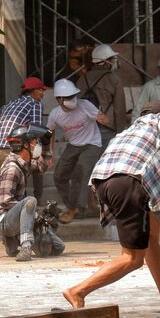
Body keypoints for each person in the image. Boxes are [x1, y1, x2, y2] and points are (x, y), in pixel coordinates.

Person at [63, 100, 160, 313]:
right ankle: (78, 291)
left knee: (151, 237)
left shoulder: (130, 133)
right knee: (132, 258)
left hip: (108, 183)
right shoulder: (156, 120)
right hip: (129, 184)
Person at [47, 79, 103, 224]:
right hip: (73, 145)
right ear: (58, 99)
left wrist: (103, 117)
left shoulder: (86, 106)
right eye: (68, 97)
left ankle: (77, 208)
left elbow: (103, 118)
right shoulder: (55, 114)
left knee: (81, 171)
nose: (72, 100)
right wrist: (49, 153)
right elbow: (50, 132)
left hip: (92, 143)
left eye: (73, 96)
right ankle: (72, 206)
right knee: (59, 175)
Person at [0, 124, 52, 261]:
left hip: (17, 215)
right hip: (5, 220)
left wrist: (46, 145)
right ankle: (25, 247)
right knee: (30, 201)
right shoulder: (12, 168)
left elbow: (42, 167)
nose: (36, 145)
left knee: (55, 247)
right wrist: (33, 213)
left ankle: (13, 242)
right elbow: (5, 201)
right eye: (34, 142)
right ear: (25, 146)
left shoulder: (23, 164)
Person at [0, 77, 48, 204]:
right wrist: (39, 157)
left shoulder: (10, 103)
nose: (43, 94)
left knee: (12, 185)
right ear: (33, 91)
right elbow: (36, 131)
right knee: (34, 168)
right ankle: (37, 201)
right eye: (41, 91)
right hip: (11, 149)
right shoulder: (35, 104)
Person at [76, 44, 128, 148]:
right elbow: (119, 110)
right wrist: (121, 134)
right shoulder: (114, 79)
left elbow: (75, 105)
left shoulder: (82, 79)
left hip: (86, 130)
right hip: (106, 128)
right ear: (105, 61)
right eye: (111, 59)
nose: (114, 62)